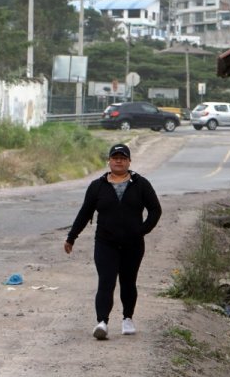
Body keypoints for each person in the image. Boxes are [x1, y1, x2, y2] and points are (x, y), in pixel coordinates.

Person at [64, 143, 162, 340]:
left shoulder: (141, 184)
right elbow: (85, 213)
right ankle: (102, 322)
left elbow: (155, 210)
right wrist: (71, 237)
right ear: (109, 161)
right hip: (105, 243)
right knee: (106, 281)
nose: (119, 160)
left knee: (128, 281)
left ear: (129, 161)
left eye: (123, 158)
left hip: (132, 244)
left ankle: (127, 319)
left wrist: (141, 231)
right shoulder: (97, 186)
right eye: (115, 157)